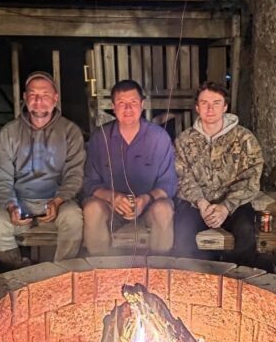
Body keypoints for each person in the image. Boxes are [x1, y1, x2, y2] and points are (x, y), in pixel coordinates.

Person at [0, 71, 86, 269]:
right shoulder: (9, 132)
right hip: (20, 201)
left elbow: (74, 174)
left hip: (58, 201)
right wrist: (11, 204)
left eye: (45, 95)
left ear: (55, 98)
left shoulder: (69, 131)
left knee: (74, 219)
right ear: (24, 97)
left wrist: (58, 200)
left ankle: (61, 273)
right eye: (33, 95)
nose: (38, 101)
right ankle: (18, 270)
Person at [83, 79, 177, 255]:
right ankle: (101, 272)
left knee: (164, 209)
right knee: (92, 209)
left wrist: (146, 199)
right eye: (121, 103)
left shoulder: (159, 138)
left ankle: (158, 272)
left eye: (133, 102)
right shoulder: (100, 137)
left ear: (142, 105)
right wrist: (113, 197)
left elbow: (168, 185)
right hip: (111, 206)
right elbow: (90, 183)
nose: (127, 109)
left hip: (148, 206)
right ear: (113, 107)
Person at [173, 82, 263, 265]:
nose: (210, 108)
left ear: (225, 106)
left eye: (216, 102)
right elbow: (181, 175)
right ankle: (193, 283)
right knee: (181, 234)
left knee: (246, 232)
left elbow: (252, 176)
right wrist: (201, 203)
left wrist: (225, 207)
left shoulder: (244, 138)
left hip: (234, 205)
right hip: (196, 205)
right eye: (204, 103)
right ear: (197, 108)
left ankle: (237, 285)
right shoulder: (185, 140)